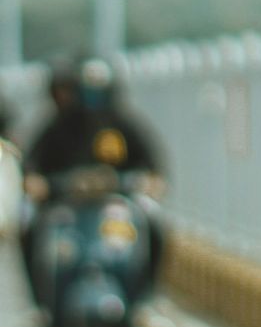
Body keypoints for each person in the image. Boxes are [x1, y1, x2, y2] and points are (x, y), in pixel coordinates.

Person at [17, 56, 167, 310]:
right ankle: (41, 299)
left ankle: (143, 298)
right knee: (28, 223)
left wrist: (151, 183)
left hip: (116, 202)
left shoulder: (122, 123)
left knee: (154, 223)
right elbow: (32, 164)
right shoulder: (59, 124)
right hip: (64, 202)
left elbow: (154, 166)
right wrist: (35, 183)